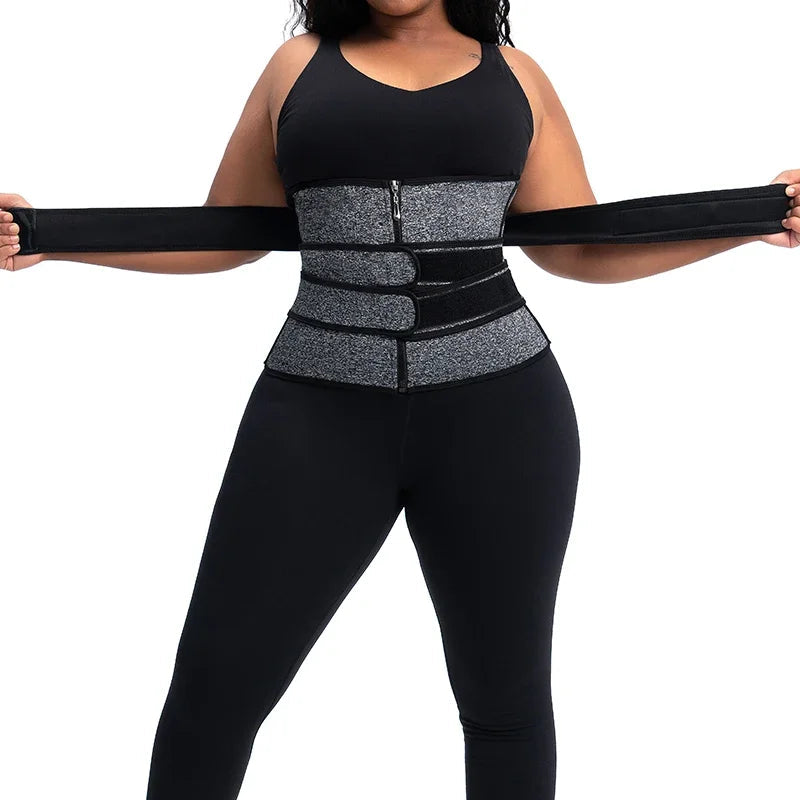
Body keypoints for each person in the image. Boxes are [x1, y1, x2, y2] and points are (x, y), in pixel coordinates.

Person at [1, 1, 797, 799]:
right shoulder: (295, 67)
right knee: (211, 700)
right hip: (316, 415)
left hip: (502, 416)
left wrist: (753, 222)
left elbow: (582, 247)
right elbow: (227, 234)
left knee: (505, 706)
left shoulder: (519, 77)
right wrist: (44, 237)